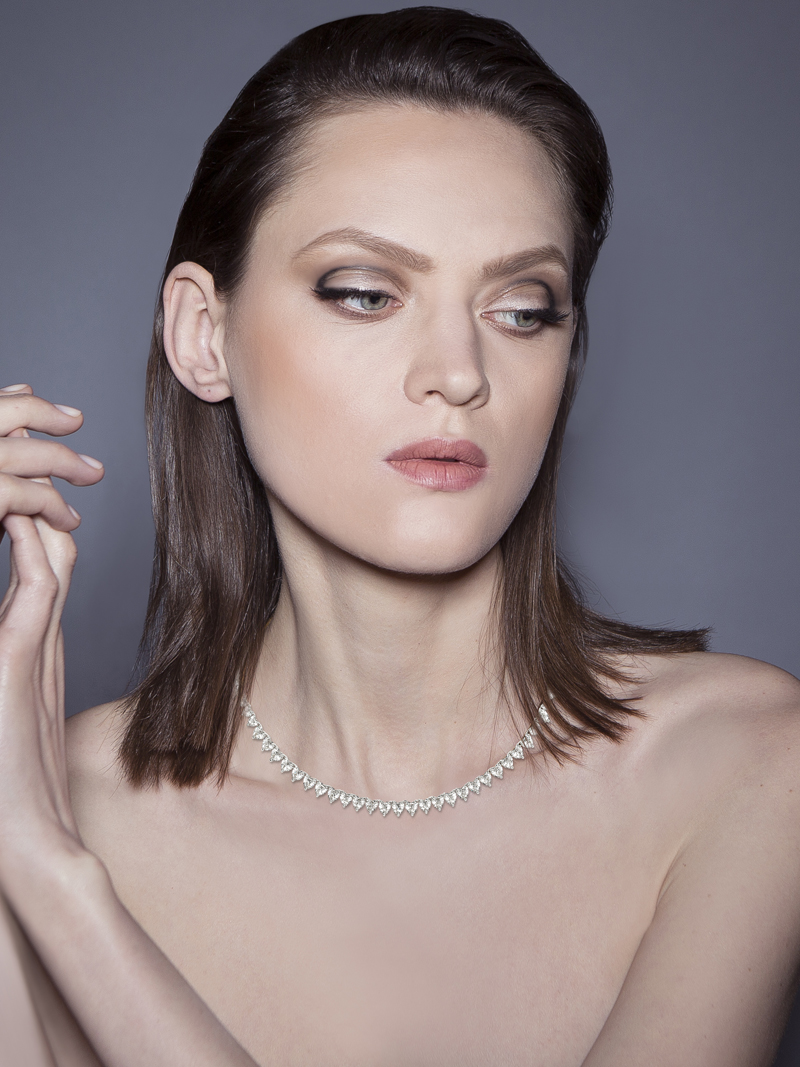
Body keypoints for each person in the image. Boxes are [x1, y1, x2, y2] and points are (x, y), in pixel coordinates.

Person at [1, 8, 798, 1065]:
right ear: (204, 335)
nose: (459, 372)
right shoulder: (39, 785)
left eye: (522, 308)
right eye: (366, 293)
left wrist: (53, 876)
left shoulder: (750, 760)